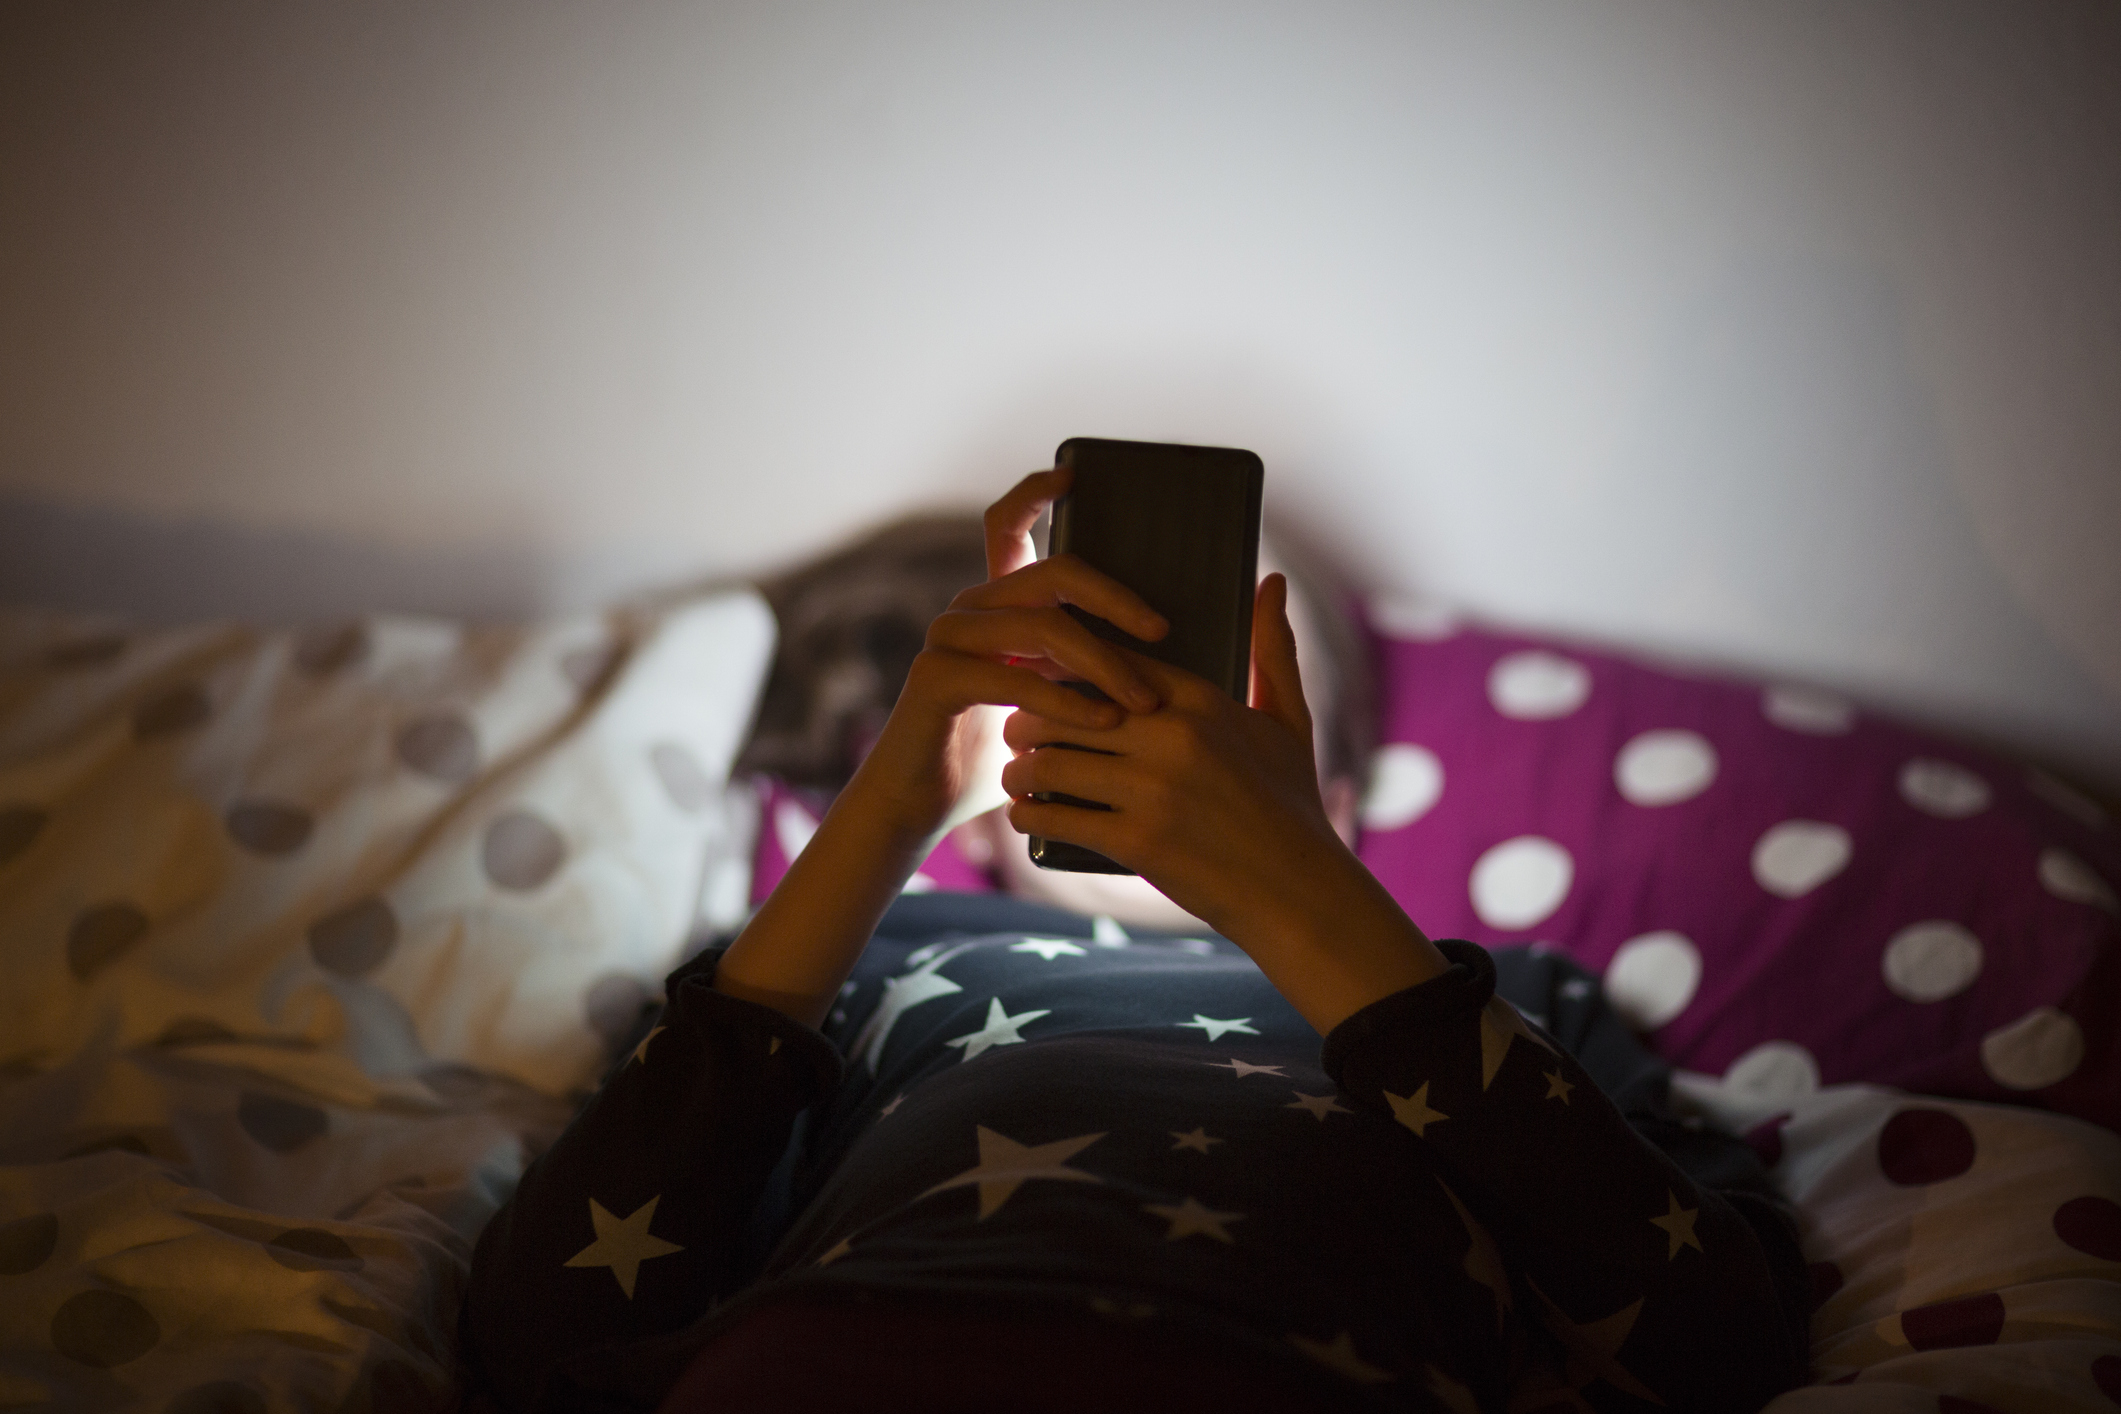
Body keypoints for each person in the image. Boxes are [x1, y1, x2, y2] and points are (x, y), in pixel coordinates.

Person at [460, 471, 1810, 1413]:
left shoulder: (1496, 1000)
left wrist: (1303, 899)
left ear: (1331, 807)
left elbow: (1712, 1347)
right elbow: (545, 1339)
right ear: (981, 805)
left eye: (1223, 704)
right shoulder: (858, 947)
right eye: (1070, 688)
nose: (1146, 714)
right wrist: (887, 808)